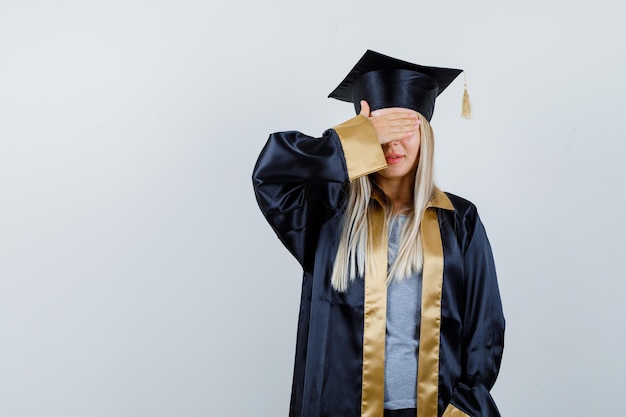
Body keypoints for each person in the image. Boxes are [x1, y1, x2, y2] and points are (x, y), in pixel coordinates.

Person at [252, 50, 505, 417]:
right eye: (379, 133)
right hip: (340, 408)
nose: (392, 144)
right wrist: (353, 139)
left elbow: (484, 325)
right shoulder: (327, 213)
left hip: (437, 411)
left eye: (404, 129)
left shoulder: (459, 220)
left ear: (426, 135)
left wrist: (461, 407)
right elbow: (272, 173)